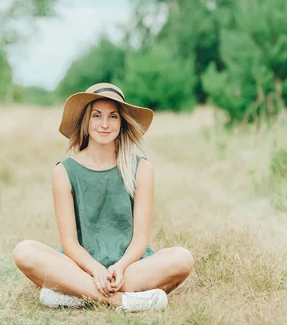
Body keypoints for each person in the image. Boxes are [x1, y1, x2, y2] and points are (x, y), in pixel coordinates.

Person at [12, 82, 194, 312]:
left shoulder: (141, 168)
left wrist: (120, 266)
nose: (105, 124)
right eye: (97, 116)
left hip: (130, 268)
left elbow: (140, 239)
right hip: (82, 267)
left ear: (122, 122)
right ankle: (119, 301)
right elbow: (69, 243)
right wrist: (96, 270)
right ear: (86, 121)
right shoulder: (64, 171)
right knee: (24, 251)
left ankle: (78, 294)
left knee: (182, 258)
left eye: (113, 117)